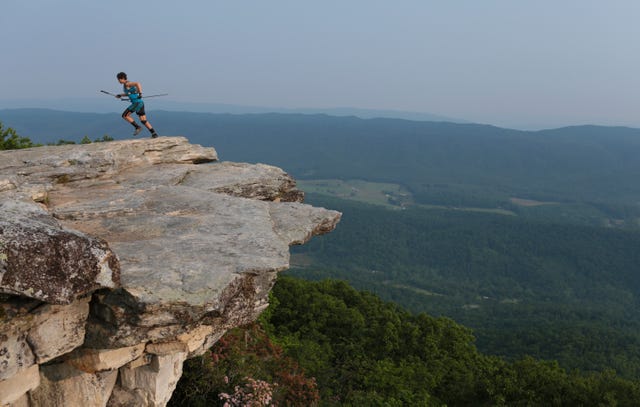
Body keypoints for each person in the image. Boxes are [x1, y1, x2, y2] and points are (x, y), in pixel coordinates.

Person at [115, 72, 159, 138]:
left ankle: (137, 127)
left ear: (123, 78)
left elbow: (137, 83)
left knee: (124, 115)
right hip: (140, 103)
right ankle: (154, 133)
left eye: (119, 79)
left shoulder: (127, 83)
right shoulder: (125, 86)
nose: (118, 81)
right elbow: (129, 93)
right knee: (143, 120)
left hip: (137, 103)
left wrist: (140, 93)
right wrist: (120, 95)